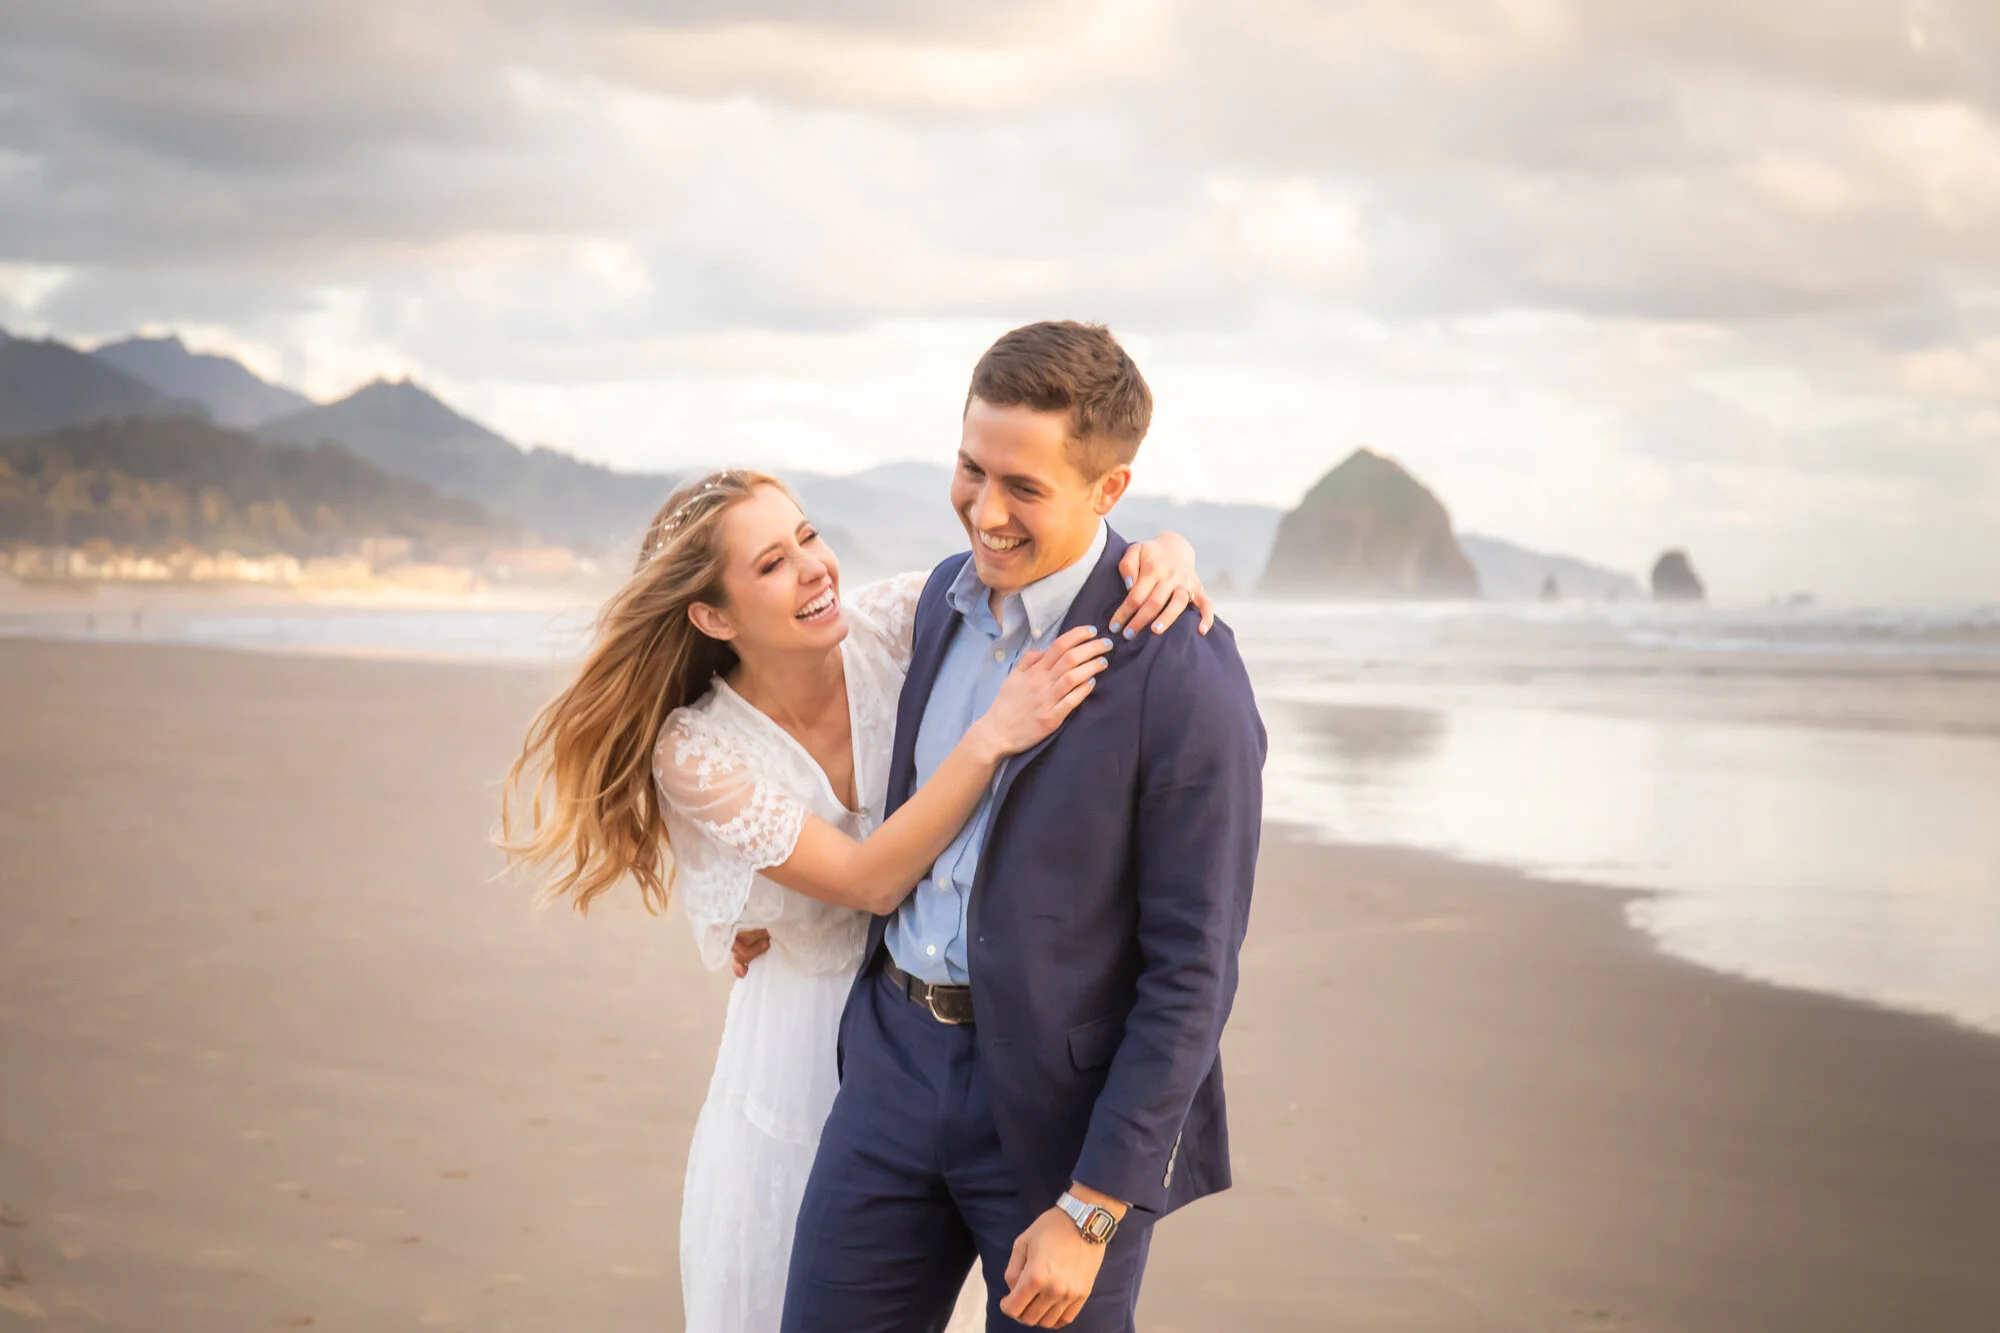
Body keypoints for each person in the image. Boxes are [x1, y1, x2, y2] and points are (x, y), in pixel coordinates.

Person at [500, 466, 1212, 1332]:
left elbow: (1038, 570)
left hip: (955, 1030)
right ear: (713, 616)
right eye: (771, 563)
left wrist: (1165, 553)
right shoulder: (695, 749)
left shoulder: (895, 622)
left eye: (807, 534)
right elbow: (869, 880)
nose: (814, 566)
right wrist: (991, 735)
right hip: (802, 1047)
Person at [780, 322, 1266, 1332]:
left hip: (1061, 1129)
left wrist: (1093, 1205)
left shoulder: (1182, 671)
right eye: (971, 468)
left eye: (1024, 488)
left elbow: (1193, 968)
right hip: (890, 1072)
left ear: (1109, 489)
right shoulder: (937, 603)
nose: (985, 510)